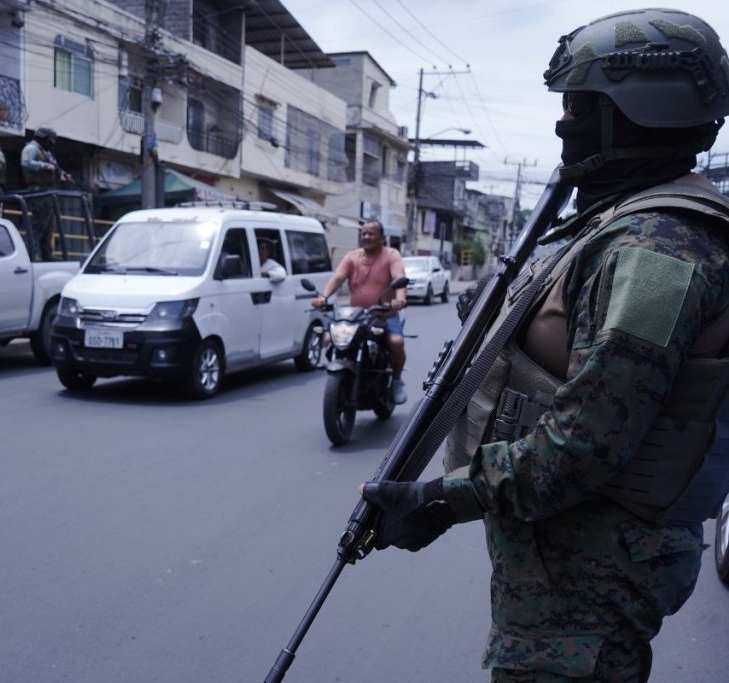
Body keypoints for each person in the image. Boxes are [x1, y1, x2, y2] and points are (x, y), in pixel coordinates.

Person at [359, 9, 729, 681]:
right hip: (562, 560)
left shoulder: (657, 253)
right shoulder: (613, 226)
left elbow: (582, 448)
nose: (564, 125)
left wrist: (441, 501)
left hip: (591, 579)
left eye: (581, 105)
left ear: (637, 109)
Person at [312, 219, 407, 404]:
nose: (366, 236)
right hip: (356, 315)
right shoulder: (352, 257)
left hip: (383, 315)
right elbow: (338, 277)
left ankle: (396, 381)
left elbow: (399, 278)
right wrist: (323, 297)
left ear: (382, 237)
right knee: (328, 338)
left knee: (396, 341)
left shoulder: (391, 255)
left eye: (371, 233)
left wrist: (400, 299)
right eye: (364, 233)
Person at [21, 126, 71, 260]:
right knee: (38, 223)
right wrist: (44, 166)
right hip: (38, 190)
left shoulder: (46, 152)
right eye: (50, 140)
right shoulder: (31, 148)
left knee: (50, 224)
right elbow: (26, 163)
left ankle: (47, 253)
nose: (52, 143)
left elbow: (56, 167)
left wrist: (63, 175)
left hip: (49, 191)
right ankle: (33, 253)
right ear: (43, 138)